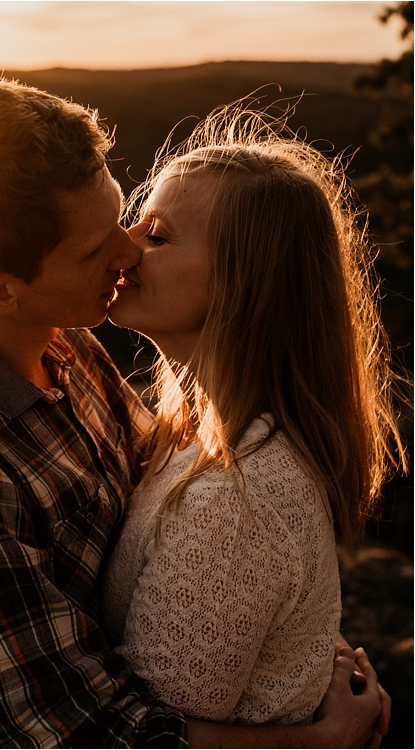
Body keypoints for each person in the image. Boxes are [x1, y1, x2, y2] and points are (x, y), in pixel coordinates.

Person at [0, 72, 389, 747]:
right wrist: (320, 741)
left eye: (136, 224)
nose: (127, 247)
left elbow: (219, 537)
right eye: (97, 245)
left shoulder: (72, 350)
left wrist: (306, 642)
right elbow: (95, 737)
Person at [102, 104, 406, 725]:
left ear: (245, 282)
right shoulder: (194, 436)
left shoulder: (238, 500)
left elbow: (151, 737)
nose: (122, 246)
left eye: (155, 235)